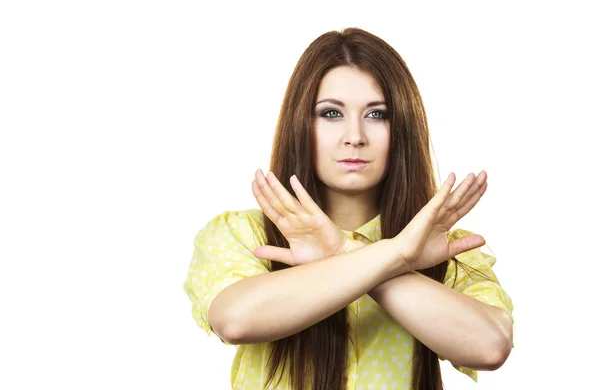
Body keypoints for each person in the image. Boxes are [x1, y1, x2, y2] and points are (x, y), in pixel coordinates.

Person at [183, 27, 514, 390]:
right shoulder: (242, 233)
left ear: (402, 127)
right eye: (330, 114)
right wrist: (398, 255)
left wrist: (346, 252)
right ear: (300, 123)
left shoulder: (443, 246)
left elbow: (490, 347)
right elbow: (235, 321)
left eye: (376, 115)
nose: (354, 136)